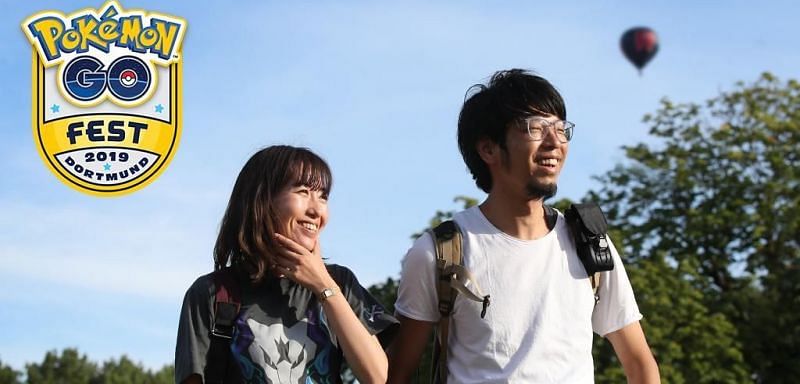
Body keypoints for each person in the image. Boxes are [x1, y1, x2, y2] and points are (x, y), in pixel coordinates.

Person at [388, 69, 660, 383]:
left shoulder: (589, 243)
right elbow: (398, 374)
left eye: (561, 129)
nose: (554, 142)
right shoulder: (440, 252)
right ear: (488, 148)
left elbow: (640, 364)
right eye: (535, 128)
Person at [175, 145, 398, 384]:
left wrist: (324, 287)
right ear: (262, 200)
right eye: (303, 192)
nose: (316, 210)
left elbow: (380, 378)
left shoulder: (341, 284)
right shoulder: (212, 294)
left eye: (323, 196)